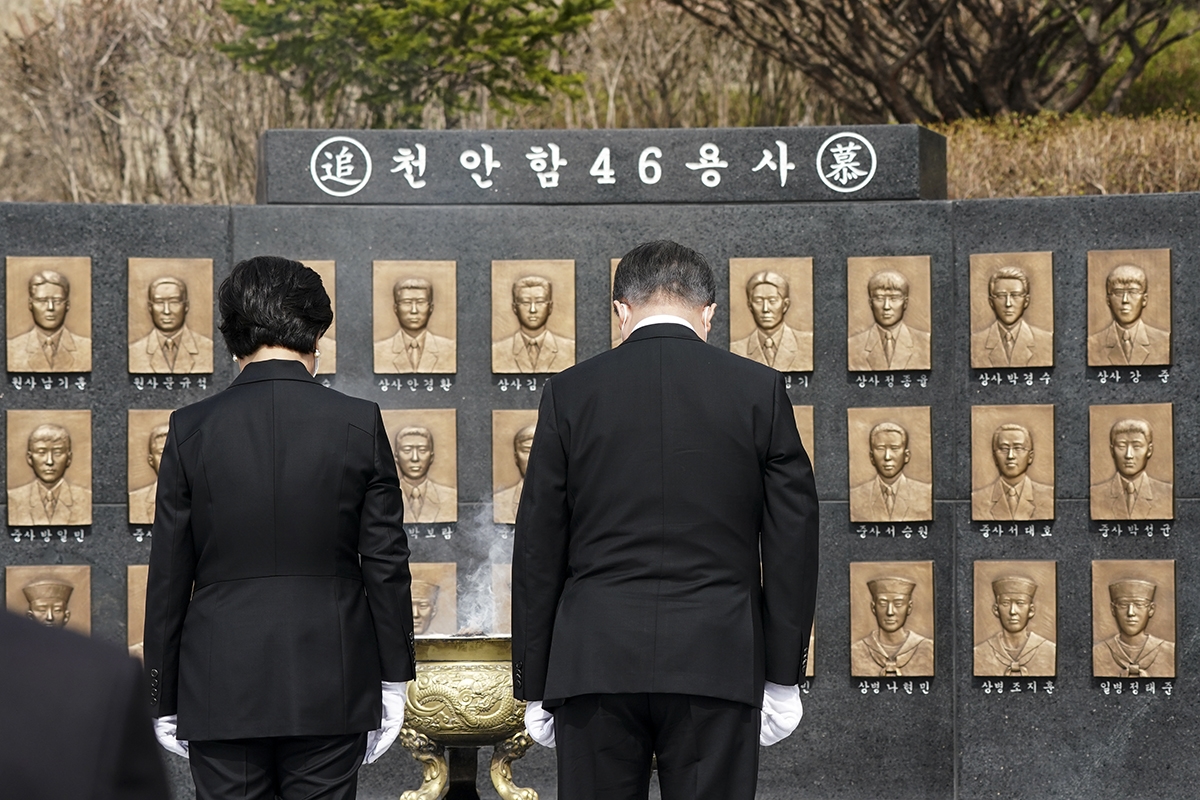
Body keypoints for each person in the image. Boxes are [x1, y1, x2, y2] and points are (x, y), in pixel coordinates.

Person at [512, 240, 818, 800]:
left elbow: (538, 542)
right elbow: (792, 540)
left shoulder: (569, 393)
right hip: (718, 657)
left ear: (621, 310)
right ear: (709, 313)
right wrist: (783, 676)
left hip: (594, 661)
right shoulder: (759, 392)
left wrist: (534, 684)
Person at [143, 255, 415, 800]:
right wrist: (392, 680)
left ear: (231, 335)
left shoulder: (190, 429)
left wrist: (163, 696)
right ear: (317, 332)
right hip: (330, 678)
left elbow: (170, 575)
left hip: (219, 682)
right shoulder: (359, 423)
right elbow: (385, 562)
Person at [0, 609, 170, 799]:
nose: (49, 616)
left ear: (66, 613)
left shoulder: (99, 678)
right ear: (30, 613)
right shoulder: (99, 676)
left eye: (56, 609)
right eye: (42, 608)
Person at [7, 423, 93, 526]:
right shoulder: (14, 499)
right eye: (41, 453)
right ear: (30, 458)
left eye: (57, 453)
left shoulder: (85, 499)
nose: (49, 461)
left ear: (69, 458)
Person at [7, 269, 92, 372]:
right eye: (42, 301)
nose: (50, 307)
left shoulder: (87, 347)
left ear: (67, 305)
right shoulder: (12, 348)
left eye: (57, 301)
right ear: (30, 304)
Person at [128, 276, 215, 374]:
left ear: (186, 306)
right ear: (150, 307)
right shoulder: (134, 351)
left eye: (174, 302)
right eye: (159, 302)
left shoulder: (207, 348)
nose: (166, 311)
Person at [849, 421, 933, 522]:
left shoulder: (924, 494)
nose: (887, 457)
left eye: (894, 448)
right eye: (880, 449)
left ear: (906, 456)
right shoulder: (857, 496)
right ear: (871, 457)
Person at [850, 576, 934, 677]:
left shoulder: (928, 649)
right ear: (873, 608)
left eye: (898, 604)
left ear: (909, 607)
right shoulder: (857, 651)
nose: (890, 612)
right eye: (883, 604)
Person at [847, 270, 930, 371]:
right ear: (870, 303)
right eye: (879, 298)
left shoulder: (925, 342)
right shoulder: (854, 345)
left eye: (894, 298)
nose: (886, 306)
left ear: (905, 303)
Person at [1090, 418, 1172, 520]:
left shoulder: (1166, 493)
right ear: (1112, 450)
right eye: (1121, 446)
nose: (1129, 455)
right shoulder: (1097, 494)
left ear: (1149, 450)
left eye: (1136, 446)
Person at [729, 270, 812, 371]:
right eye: (758, 301)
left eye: (772, 301)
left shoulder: (806, 345)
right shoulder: (737, 349)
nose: (765, 309)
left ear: (785, 305)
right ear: (750, 306)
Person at [1087, 264, 1170, 366]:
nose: (1125, 300)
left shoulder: (1163, 341)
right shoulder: (1094, 343)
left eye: (1133, 292)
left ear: (1144, 300)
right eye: (1118, 292)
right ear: (1108, 300)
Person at [971, 266, 1053, 367]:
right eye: (1001, 296)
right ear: (991, 302)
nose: (1008, 303)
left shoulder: (1045, 341)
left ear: (1026, 301)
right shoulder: (977, 341)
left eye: (1015, 295)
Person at [973, 576, 1056, 676]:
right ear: (996, 609)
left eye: (1020, 603)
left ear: (1031, 610)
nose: (1012, 611)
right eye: (1005, 603)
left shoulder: (1050, 651)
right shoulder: (980, 653)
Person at [1093, 579, 1175, 678]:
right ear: (1113, 609)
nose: (1130, 612)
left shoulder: (1169, 651)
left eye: (1139, 604)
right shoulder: (1099, 652)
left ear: (1151, 609)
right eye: (1123, 605)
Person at [971, 423, 1054, 521]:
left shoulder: (1048, 496)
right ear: (995, 457)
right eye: (1004, 449)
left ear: (1030, 457)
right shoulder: (979, 499)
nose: (1010, 456)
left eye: (1018, 448)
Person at [492, 275, 575, 373]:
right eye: (525, 303)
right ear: (514, 308)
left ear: (550, 307)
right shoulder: (498, 350)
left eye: (539, 302)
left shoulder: (569, 348)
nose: (532, 310)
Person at [374, 278, 456, 373]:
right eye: (406, 302)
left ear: (431, 308)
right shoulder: (378, 351)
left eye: (421, 302)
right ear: (395, 308)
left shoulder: (450, 349)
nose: (414, 310)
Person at [394, 426, 458, 523]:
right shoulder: (383, 498)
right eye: (407, 450)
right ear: (396, 457)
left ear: (431, 456)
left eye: (422, 450)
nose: (415, 458)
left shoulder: (450, 497)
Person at [493, 422, 535, 524]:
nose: (535, 458)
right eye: (527, 450)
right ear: (516, 457)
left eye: (545, 451)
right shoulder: (499, 500)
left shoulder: (573, 499)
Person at [129, 423, 170, 524]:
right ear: (151, 460)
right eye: (161, 453)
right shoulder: (136, 500)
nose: (170, 459)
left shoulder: (206, 497)